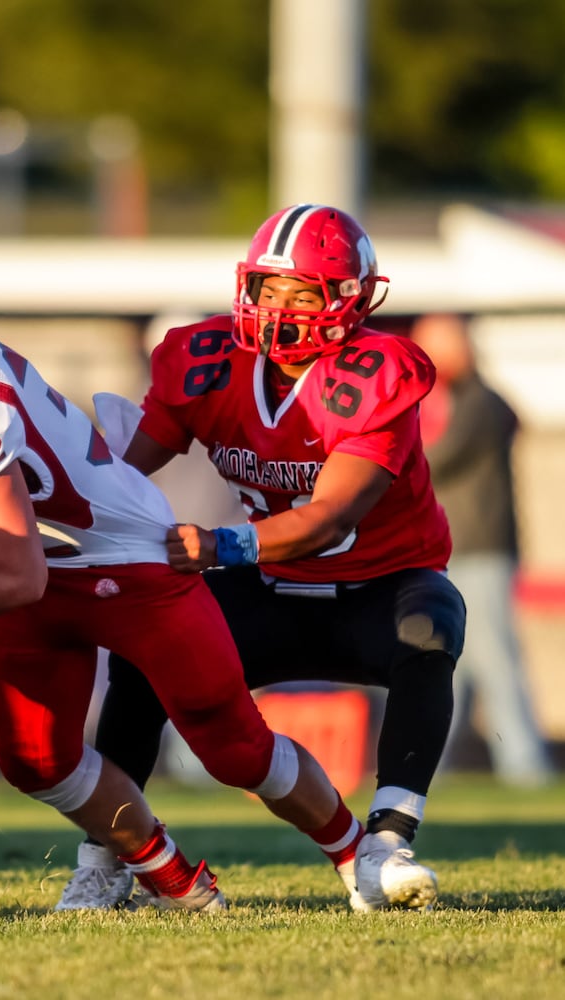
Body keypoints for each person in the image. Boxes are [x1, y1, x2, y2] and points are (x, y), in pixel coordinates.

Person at [0, 242, 370, 912]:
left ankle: (360, 855)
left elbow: (15, 577)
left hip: (127, 560)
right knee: (31, 754)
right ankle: (170, 879)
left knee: (233, 749)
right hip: (42, 555)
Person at [68, 204, 465, 912]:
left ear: (348, 300)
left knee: (429, 627)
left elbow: (327, 517)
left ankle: (386, 842)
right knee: (139, 655)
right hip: (271, 586)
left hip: (376, 587)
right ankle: (106, 858)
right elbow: (125, 473)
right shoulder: (203, 360)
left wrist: (218, 545)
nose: (278, 309)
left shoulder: (379, 376)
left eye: (302, 293)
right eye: (267, 289)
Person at [412, 312, 554, 787]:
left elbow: (438, 459)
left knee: (495, 659)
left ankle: (525, 765)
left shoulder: (480, 403)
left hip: (479, 550)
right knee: (453, 666)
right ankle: (431, 765)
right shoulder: (464, 400)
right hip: (458, 552)